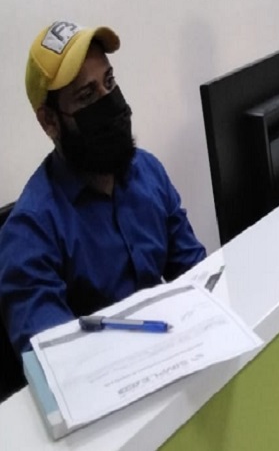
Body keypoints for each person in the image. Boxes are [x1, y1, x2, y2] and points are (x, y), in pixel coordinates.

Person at [0, 21, 206, 352]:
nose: (109, 102)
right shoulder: (30, 234)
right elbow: (58, 360)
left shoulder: (148, 172)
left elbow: (198, 277)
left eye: (109, 82)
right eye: (87, 95)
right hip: (112, 377)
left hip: (177, 355)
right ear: (49, 121)